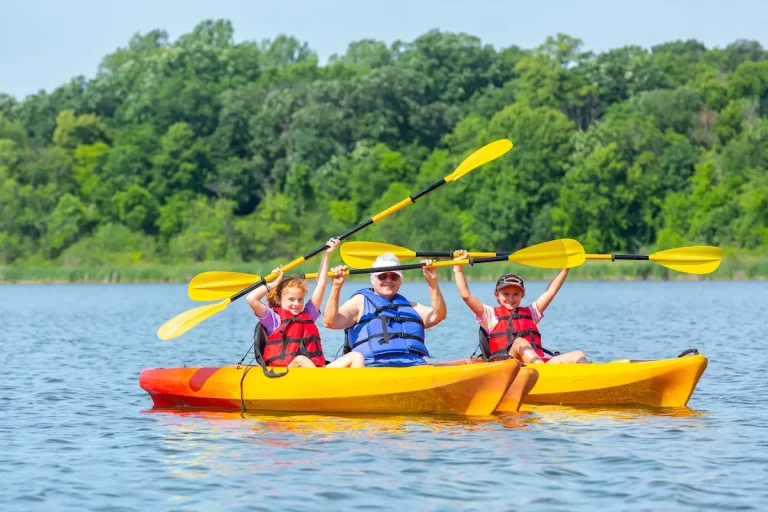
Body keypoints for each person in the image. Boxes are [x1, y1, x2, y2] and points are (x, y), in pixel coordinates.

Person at [452, 249, 588, 364]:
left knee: (578, 354)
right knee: (519, 342)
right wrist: (458, 266)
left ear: (522, 295)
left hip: (536, 364)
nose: (511, 299)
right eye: (506, 294)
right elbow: (466, 296)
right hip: (508, 368)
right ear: (496, 295)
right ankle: (542, 372)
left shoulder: (531, 312)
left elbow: (551, 291)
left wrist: (567, 266)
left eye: (516, 294)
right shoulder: (489, 315)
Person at [246, 237, 364, 368]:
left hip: (315, 371)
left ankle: (353, 387)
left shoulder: (308, 314)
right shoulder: (273, 319)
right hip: (288, 373)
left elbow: (320, 285)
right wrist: (274, 284)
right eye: (291, 299)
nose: (296, 304)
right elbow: (251, 299)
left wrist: (327, 254)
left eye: (300, 300)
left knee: (356, 356)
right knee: (300, 359)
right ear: (279, 300)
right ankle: (319, 384)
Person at [323, 253, 447, 367]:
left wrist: (432, 283)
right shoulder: (360, 302)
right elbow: (330, 322)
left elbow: (438, 315)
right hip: (374, 367)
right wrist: (336, 287)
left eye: (394, 276)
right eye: (382, 276)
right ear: (373, 280)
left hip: (414, 366)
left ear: (400, 281)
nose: (388, 280)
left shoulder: (410, 307)